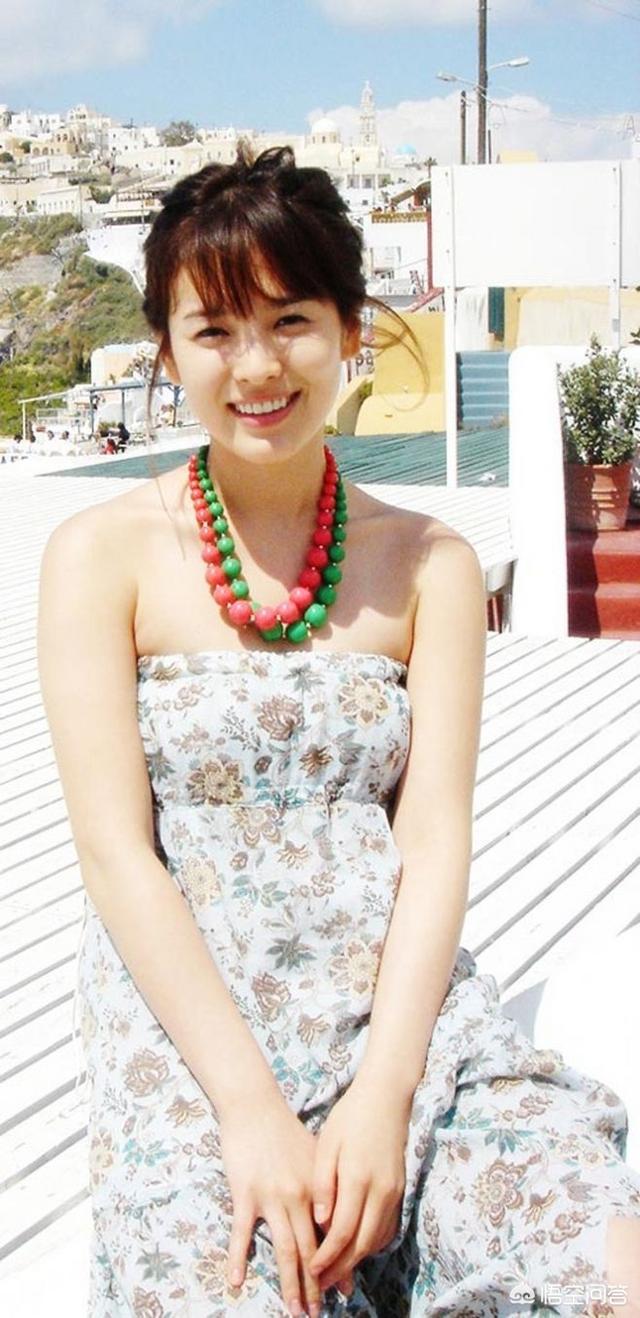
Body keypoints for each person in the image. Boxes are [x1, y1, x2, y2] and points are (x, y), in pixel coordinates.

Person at [37, 145, 640, 1318]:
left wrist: (386, 1094)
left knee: (591, 1257)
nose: (257, 365)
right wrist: (250, 1109)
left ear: (351, 329)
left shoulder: (430, 565)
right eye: (214, 330)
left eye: (291, 320)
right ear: (166, 350)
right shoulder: (98, 556)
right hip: (191, 1036)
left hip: (396, 1018)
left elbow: (434, 840)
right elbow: (117, 855)